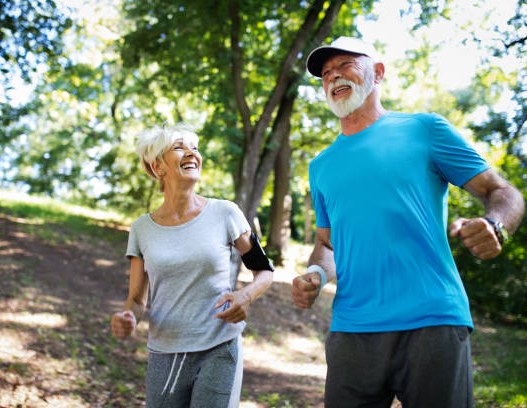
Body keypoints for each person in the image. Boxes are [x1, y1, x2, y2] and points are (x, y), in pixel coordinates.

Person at [292, 36, 524, 407]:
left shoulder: (425, 129)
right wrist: (316, 276)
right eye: (325, 73)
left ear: (378, 72)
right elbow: (327, 244)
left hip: (432, 319)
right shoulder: (321, 166)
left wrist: (496, 225)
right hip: (353, 328)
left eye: (345, 65)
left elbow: (502, 191)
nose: (333, 77)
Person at [110, 123, 274, 408]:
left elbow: (264, 270)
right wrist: (129, 318)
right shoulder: (141, 230)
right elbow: (136, 299)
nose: (191, 153)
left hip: (219, 346)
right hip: (165, 351)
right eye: (179, 147)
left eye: (195, 148)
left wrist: (245, 296)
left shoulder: (226, 213)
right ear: (157, 167)